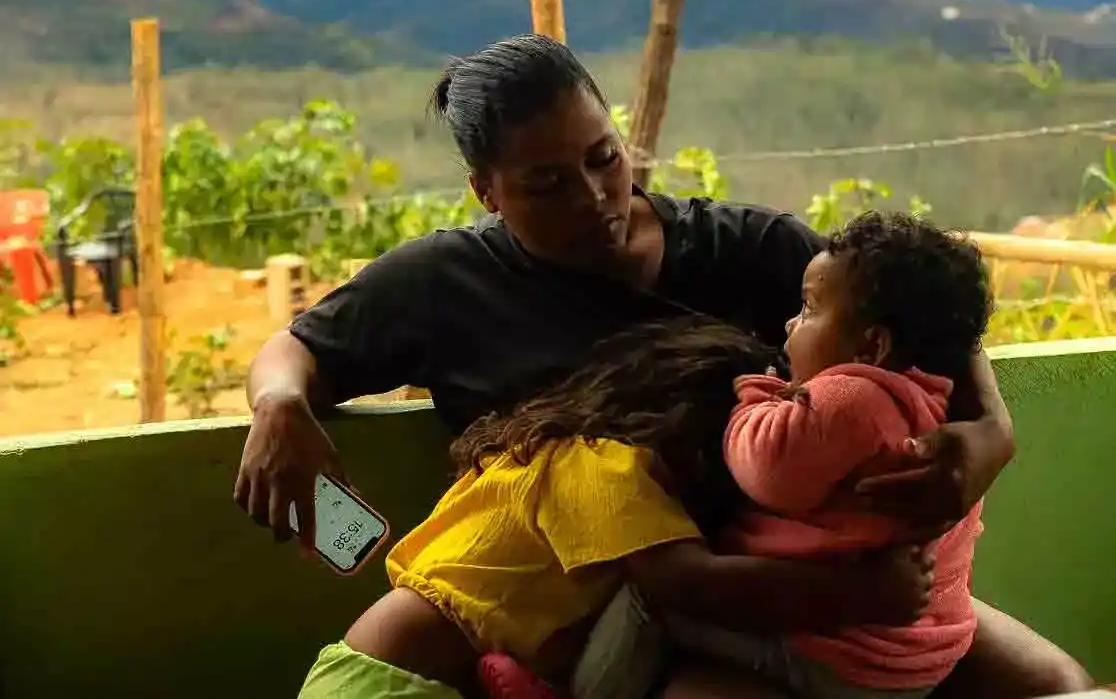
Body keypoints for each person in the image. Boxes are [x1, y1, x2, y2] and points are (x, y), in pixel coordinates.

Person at [235, 34, 1092, 698]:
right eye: (546, 183)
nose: (593, 195)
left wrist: (990, 435)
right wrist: (279, 407)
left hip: (826, 580)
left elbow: (920, 309)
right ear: (485, 191)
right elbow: (296, 350)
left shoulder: (752, 250)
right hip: (656, 610)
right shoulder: (442, 283)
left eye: (603, 158)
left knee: (1059, 685)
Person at [297, 317, 936, 698]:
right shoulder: (603, 465)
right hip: (390, 685)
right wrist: (860, 595)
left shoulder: (560, 452)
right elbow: (685, 585)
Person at [657, 211, 992, 699]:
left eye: (810, 309)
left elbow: (765, 469)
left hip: (840, 653)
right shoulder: (936, 404)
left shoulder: (852, 399)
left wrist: (757, 396)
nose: (791, 323)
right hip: (915, 654)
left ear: (871, 345)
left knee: (653, 611)